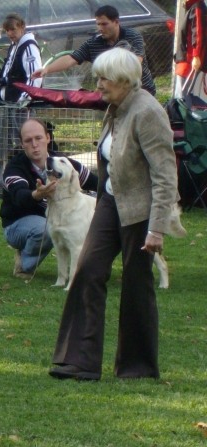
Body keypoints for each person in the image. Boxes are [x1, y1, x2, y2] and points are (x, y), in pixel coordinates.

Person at [49, 48, 178, 381]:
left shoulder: (147, 111)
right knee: (88, 269)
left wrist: (157, 228)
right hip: (109, 202)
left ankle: (138, 368)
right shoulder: (116, 107)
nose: (99, 84)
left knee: (137, 284)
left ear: (124, 80)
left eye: (104, 78)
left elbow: (165, 174)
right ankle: (78, 361)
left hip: (140, 210)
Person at [0, 118, 97, 279]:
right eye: (28, 141)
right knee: (45, 229)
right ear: (22, 144)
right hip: (16, 224)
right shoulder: (14, 167)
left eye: (38, 138)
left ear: (48, 138)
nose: (34, 144)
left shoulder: (64, 164)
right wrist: (37, 195)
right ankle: (24, 265)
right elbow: (19, 195)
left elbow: (96, 183)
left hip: (49, 219)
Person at [31, 5, 156, 96]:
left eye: (104, 24)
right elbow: (71, 58)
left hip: (141, 92)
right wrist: (46, 69)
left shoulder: (132, 36)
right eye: (98, 24)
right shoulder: (94, 42)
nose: (100, 28)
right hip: (114, 96)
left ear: (116, 22)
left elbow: (135, 62)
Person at [0, 13, 43, 185]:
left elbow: (35, 76)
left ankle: (30, 178)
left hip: (21, 105)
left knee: (25, 143)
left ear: (22, 26)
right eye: (7, 30)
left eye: (13, 29)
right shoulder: (14, 46)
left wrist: (26, 99)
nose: (10, 33)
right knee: (0, 140)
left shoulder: (29, 46)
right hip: (8, 103)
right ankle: (2, 179)